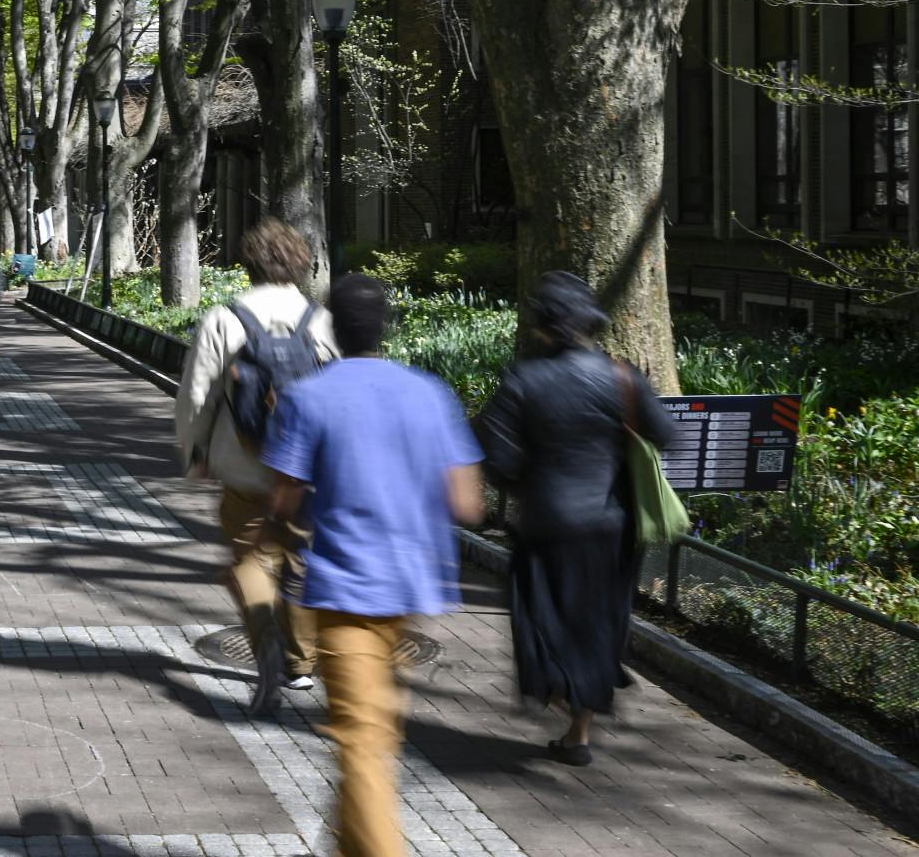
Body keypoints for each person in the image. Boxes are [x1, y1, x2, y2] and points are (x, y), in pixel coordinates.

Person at [261, 273, 485, 857]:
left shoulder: (309, 397)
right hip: (413, 587)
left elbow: (283, 499)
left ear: (333, 327)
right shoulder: (430, 392)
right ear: (386, 327)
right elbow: (467, 503)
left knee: (361, 745)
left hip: (344, 588)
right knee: (375, 733)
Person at [474, 270, 677, 767]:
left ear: (541, 325)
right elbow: (665, 433)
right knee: (594, 624)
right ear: (590, 320)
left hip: (545, 526)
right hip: (612, 527)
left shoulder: (522, 380)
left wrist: (525, 482)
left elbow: (495, 458)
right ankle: (578, 734)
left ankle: (568, 699)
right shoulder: (623, 377)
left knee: (542, 625)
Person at [173, 220, 339, 704]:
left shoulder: (225, 319)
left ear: (249, 266)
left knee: (250, 558)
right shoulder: (322, 320)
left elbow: (196, 397)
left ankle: (264, 637)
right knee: (301, 560)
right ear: (300, 264)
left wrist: (197, 454)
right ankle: (301, 663)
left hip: (245, 465)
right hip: (308, 470)